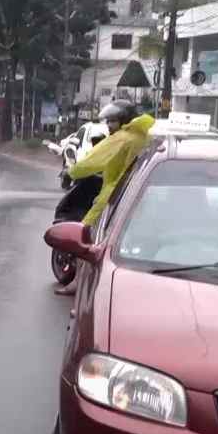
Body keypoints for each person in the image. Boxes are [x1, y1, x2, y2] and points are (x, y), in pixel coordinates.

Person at [55, 100, 155, 295]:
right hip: (136, 195)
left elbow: (95, 160)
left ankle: (78, 283)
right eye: (107, 122)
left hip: (112, 194)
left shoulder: (122, 138)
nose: (108, 126)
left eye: (112, 122)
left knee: (85, 235)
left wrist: (71, 173)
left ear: (123, 121)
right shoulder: (143, 137)